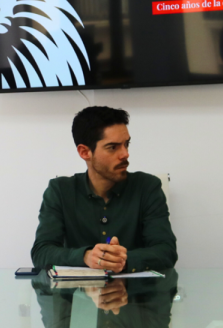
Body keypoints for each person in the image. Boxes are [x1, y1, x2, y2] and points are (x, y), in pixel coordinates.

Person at [31, 106, 176, 273]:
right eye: (113, 147)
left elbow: (167, 251)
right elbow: (41, 252)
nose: (125, 154)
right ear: (85, 152)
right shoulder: (60, 191)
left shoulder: (147, 187)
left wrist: (121, 260)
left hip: (137, 295)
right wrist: (86, 256)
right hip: (78, 295)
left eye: (126, 144)